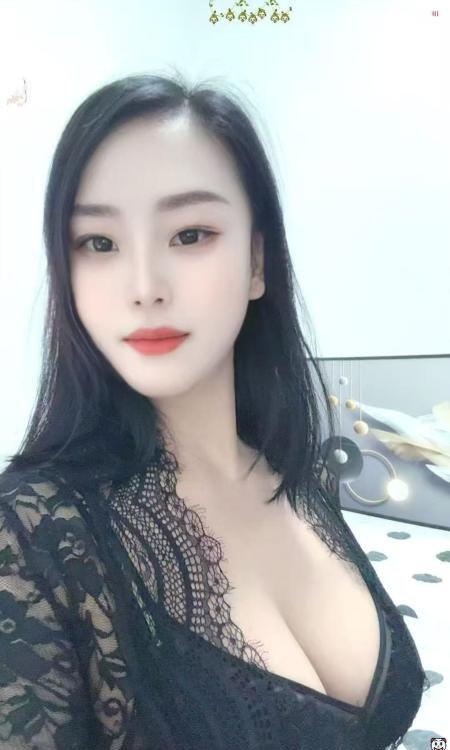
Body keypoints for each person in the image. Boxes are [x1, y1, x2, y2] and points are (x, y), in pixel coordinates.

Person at [0, 71, 428, 750]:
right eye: (99, 243)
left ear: (257, 261)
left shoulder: (300, 475)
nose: (144, 287)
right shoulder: (30, 538)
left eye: (190, 234)